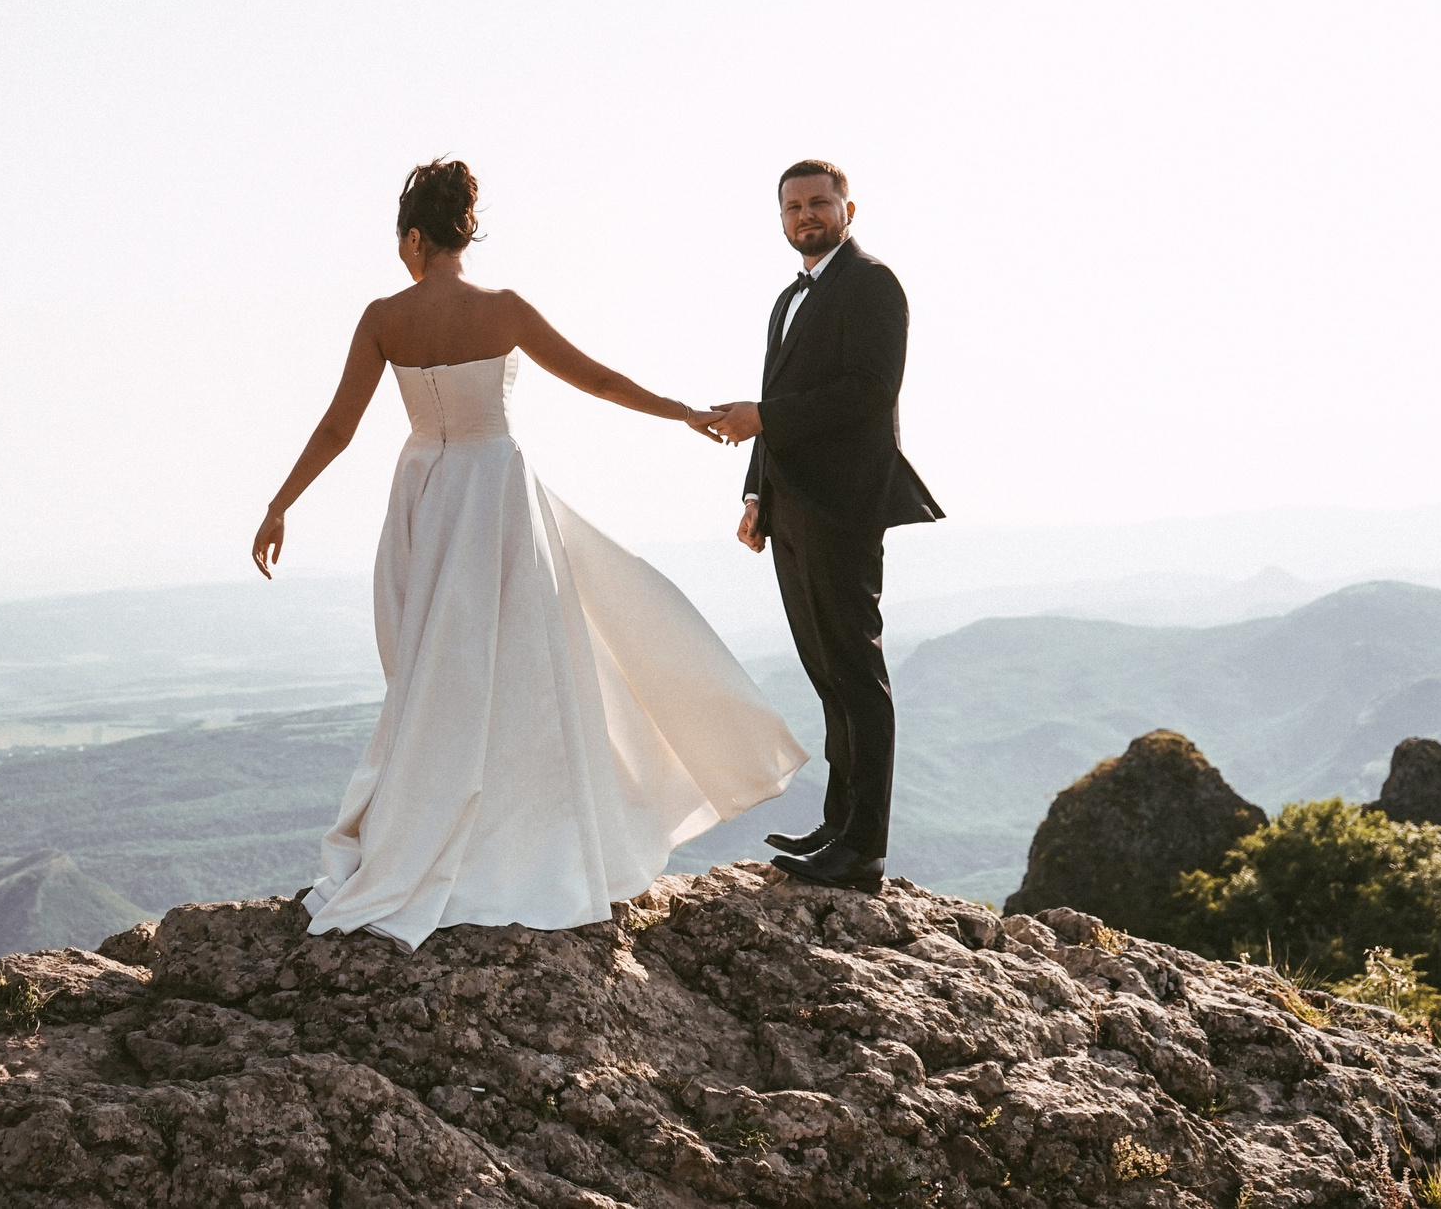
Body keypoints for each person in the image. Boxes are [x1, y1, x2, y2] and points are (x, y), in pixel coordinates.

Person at [252, 159, 807, 949]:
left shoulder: (384, 315)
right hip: (497, 491)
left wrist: (280, 504)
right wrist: (683, 411)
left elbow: (338, 427)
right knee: (520, 666)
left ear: (413, 236)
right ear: (465, 231)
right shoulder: (504, 307)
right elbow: (600, 379)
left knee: (430, 670)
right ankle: (528, 841)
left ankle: (430, 826)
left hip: (424, 493)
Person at [708, 160, 943, 895]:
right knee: (826, 673)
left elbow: (869, 392)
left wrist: (765, 420)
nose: (806, 215)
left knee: (856, 673)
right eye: (794, 206)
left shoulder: (872, 283)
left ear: (848, 207)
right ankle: (838, 823)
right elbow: (777, 397)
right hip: (793, 507)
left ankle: (862, 848)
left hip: (844, 504)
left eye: (819, 203)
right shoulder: (788, 298)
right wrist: (757, 494)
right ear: (781, 217)